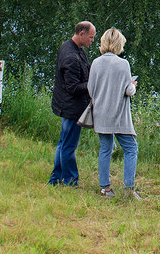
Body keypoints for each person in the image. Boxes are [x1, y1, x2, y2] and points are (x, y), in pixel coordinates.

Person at [87, 27, 141, 199]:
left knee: (106, 149)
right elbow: (128, 90)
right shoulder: (123, 64)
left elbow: (90, 88)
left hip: (101, 113)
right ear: (119, 44)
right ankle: (129, 190)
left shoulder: (96, 63)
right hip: (119, 115)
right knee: (131, 148)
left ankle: (106, 188)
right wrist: (133, 84)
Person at [49, 21, 95, 186]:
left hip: (66, 104)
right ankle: (70, 180)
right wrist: (93, 85)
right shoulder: (71, 56)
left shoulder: (73, 48)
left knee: (63, 142)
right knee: (68, 145)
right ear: (81, 33)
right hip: (71, 108)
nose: (92, 41)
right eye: (91, 37)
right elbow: (73, 87)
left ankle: (55, 179)